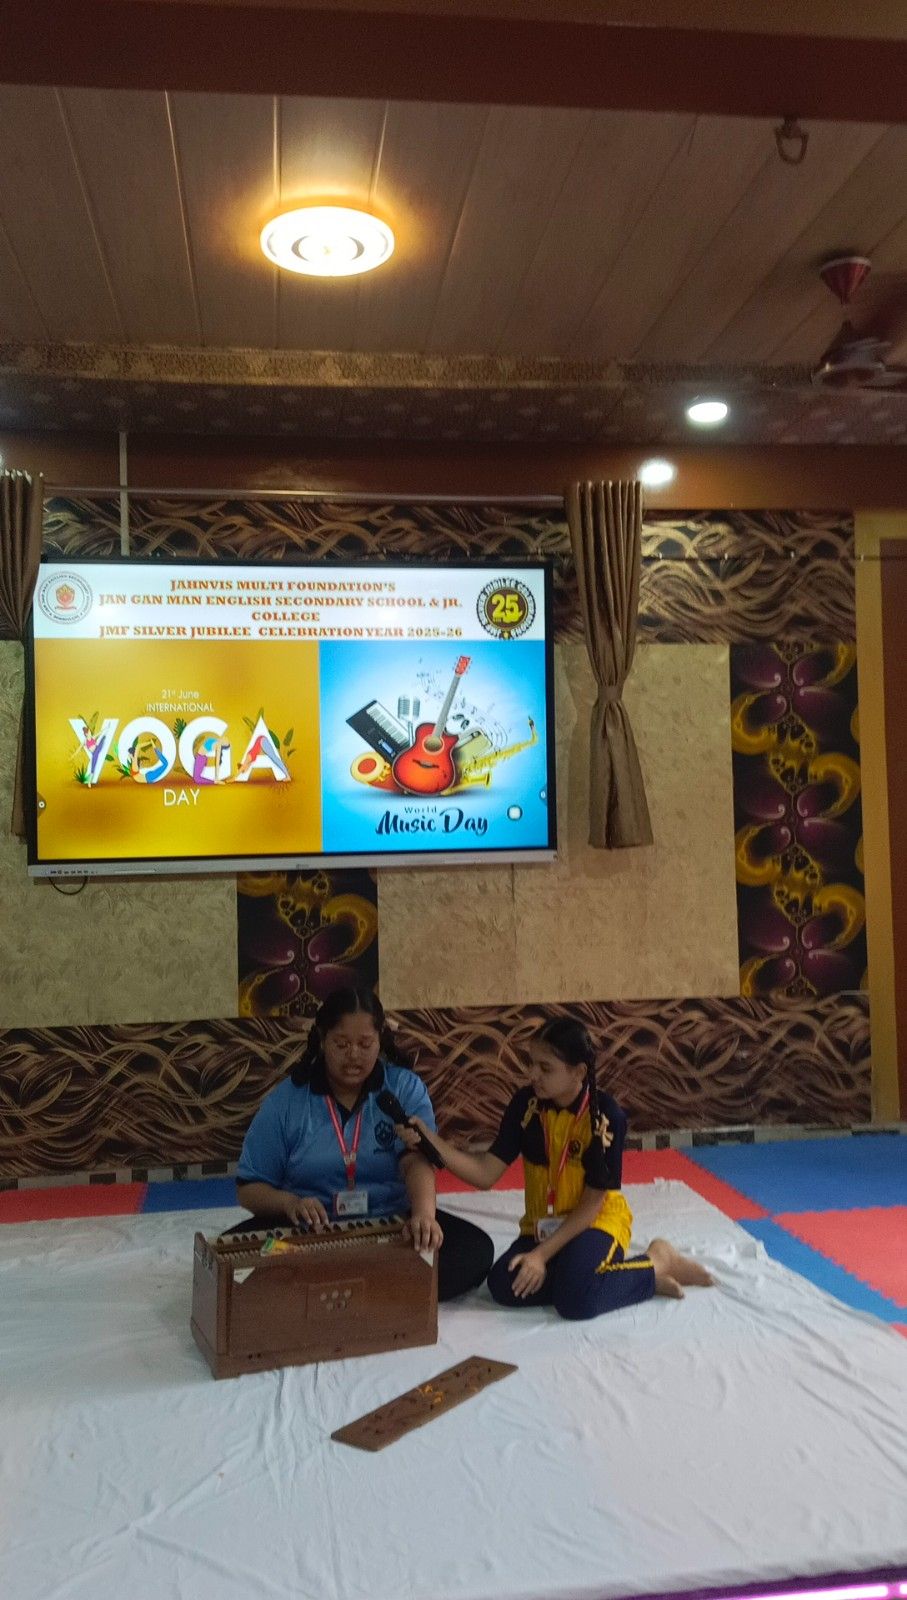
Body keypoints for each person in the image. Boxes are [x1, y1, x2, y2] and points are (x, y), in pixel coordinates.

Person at [397, 1016, 713, 1319]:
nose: (533, 1074)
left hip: (593, 1223)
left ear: (578, 1072)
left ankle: (657, 1261)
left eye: (545, 1068)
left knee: (574, 1303)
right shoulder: (526, 1105)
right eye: (531, 1063)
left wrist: (540, 1256)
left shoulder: (605, 1117)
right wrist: (429, 1140)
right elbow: (485, 1173)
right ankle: (609, 1281)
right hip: (543, 1225)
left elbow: (592, 1204)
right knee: (503, 1284)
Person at [231, 987, 494, 1302]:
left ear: (380, 1039)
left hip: (392, 1225)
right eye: (341, 1044)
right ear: (322, 1039)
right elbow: (249, 1187)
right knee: (234, 1259)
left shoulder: (403, 1088)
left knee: (474, 1251)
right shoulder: (287, 1101)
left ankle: (326, 1287)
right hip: (310, 1233)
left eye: (365, 1044)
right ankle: (377, 1287)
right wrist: (290, 1204)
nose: (353, 1055)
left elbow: (415, 1160)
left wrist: (424, 1215)